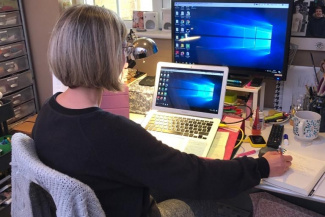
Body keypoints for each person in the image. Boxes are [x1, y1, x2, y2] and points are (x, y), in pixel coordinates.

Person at [32, 5, 293, 217]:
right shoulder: (112, 132)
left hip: (106, 200)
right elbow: (195, 177)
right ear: (104, 57)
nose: (127, 58)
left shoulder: (47, 112)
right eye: (123, 49)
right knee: (203, 200)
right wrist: (260, 167)